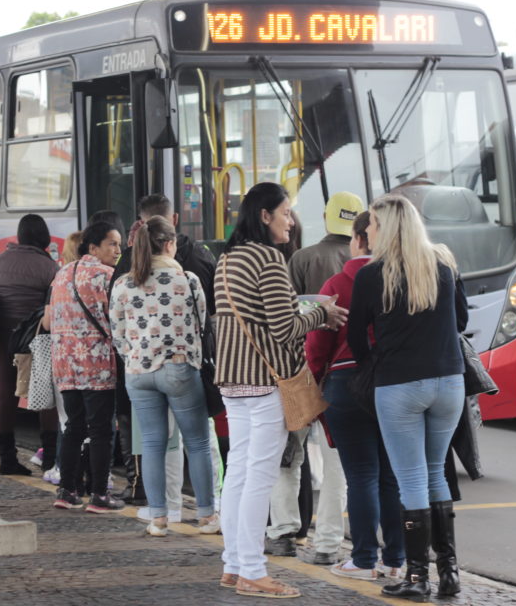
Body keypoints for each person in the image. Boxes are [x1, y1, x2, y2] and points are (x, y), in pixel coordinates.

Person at [214, 182, 346, 599]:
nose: (292, 220)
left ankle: (233, 565)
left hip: (232, 379)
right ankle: (253, 570)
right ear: (265, 215)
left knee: (238, 472)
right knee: (259, 476)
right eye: (286, 212)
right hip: (265, 381)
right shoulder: (268, 259)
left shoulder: (227, 259)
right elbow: (285, 328)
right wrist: (321, 314)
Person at [348, 194, 467, 601]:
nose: (370, 231)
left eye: (374, 224)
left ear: (386, 228)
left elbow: (355, 337)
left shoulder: (371, 274)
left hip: (399, 384)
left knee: (412, 478)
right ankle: (449, 574)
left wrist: (375, 366)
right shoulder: (444, 264)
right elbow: (462, 320)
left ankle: (417, 578)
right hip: (449, 382)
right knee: (436, 474)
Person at [306, 211, 405, 580]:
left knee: (360, 474)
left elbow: (317, 344)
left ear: (361, 239)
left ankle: (363, 559)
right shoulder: (400, 280)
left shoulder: (338, 282)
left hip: (346, 385)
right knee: (391, 476)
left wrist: (317, 382)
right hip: (393, 383)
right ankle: (395, 560)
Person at [269, 192, 364, 564]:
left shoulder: (301, 258)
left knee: (288, 457)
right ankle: (327, 544)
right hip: (343, 376)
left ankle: (282, 533)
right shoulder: (366, 269)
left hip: (298, 370)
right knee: (337, 462)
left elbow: (284, 318)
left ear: (326, 219)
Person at [110, 215, 219, 536]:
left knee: (154, 444)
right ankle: (206, 516)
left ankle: (159, 518)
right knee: (197, 443)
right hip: (179, 367)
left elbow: (118, 334)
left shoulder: (123, 284)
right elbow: (202, 327)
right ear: (170, 244)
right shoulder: (188, 281)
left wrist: (137, 355)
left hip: (138, 373)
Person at [47, 220, 124, 513]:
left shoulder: (62, 273)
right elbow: (116, 320)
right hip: (97, 365)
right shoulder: (108, 276)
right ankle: (99, 494)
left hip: (66, 364)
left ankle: (67, 490)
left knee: (73, 428)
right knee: (102, 430)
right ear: (93, 247)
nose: (118, 250)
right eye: (112, 244)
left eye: (119, 244)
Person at [0, 214, 59, 478]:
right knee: (46, 397)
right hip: (33, 339)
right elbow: (53, 306)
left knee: (5, 396)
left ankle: (7, 460)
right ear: (44, 237)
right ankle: (50, 459)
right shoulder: (49, 266)